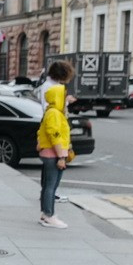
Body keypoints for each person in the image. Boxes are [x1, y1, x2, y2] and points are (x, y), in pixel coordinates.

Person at [37, 58, 75, 228]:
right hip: (54, 153)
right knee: (51, 185)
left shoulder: (52, 111)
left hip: (51, 151)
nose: (65, 97)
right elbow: (55, 134)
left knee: (48, 184)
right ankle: (48, 215)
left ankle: (47, 214)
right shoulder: (54, 112)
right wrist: (61, 156)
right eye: (64, 95)